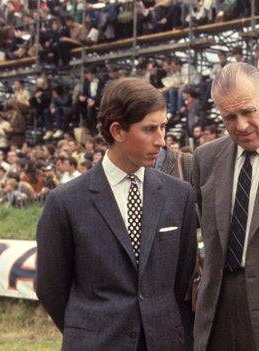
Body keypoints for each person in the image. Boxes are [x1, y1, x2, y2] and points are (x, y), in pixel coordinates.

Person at [36, 77, 197, 350]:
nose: (161, 140)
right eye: (149, 129)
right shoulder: (65, 202)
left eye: (163, 127)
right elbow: (51, 288)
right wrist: (89, 329)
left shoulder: (179, 195)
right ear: (118, 131)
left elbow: (180, 279)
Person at [193, 62, 259, 351]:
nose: (241, 125)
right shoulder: (205, 159)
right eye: (229, 117)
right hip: (218, 308)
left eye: (248, 111)